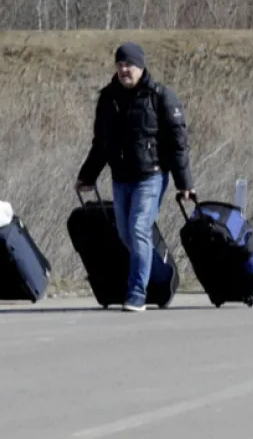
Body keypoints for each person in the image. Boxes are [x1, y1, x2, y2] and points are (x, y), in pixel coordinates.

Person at [75, 42, 195, 311]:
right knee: (126, 235)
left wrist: (185, 183)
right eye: (119, 65)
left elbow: (178, 144)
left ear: (140, 66)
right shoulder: (108, 98)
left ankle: (137, 293)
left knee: (140, 229)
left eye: (128, 65)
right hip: (121, 178)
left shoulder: (161, 96)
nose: (123, 70)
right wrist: (87, 176)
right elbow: (101, 143)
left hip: (151, 176)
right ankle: (163, 276)